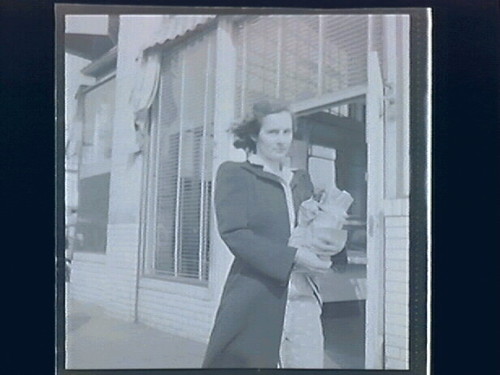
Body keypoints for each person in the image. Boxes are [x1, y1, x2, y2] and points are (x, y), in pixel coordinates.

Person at [202, 100, 344, 368]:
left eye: (287, 132)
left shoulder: (300, 179)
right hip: (259, 296)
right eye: (273, 132)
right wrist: (293, 257)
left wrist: (329, 223)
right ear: (255, 134)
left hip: (304, 299)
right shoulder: (236, 174)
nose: (282, 141)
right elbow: (234, 233)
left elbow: (309, 235)